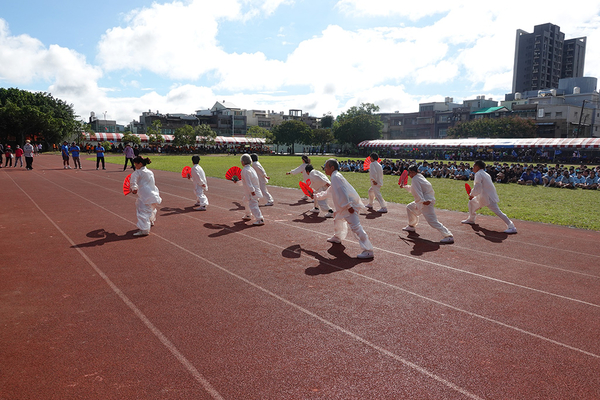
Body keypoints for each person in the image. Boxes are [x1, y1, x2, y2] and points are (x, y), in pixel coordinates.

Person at [314, 158, 374, 259]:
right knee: (338, 219)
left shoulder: (335, 177)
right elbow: (329, 192)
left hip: (348, 206)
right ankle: (338, 237)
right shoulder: (335, 176)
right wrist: (316, 196)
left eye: (326, 167)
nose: (324, 169)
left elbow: (343, 191)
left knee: (356, 227)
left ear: (332, 167)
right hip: (344, 206)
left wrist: (349, 206)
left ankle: (368, 250)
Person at [401, 164, 454, 244]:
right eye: (409, 173)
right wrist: (405, 186)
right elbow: (415, 188)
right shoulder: (419, 177)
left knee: (433, 221)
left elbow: (417, 191)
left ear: (413, 172)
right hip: (425, 200)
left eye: (411, 172)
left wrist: (423, 201)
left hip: (425, 202)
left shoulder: (415, 179)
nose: (410, 174)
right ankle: (411, 226)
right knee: (409, 207)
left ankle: (448, 236)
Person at [461, 160, 517, 234]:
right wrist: (473, 195)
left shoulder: (478, 174)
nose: (473, 167)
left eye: (474, 166)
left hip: (487, 197)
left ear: (477, 166)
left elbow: (478, 186)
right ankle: (471, 219)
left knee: (498, 212)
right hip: (483, 197)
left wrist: (471, 195)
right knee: (471, 202)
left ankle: (512, 227)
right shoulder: (485, 174)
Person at [130, 156, 162, 236]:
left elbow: (133, 183)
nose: (135, 166)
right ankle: (151, 221)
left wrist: (133, 189)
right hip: (154, 194)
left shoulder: (136, 173)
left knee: (142, 212)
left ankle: (144, 230)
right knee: (151, 209)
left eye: (136, 164)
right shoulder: (150, 172)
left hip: (144, 195)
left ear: (140, 164)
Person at [240, 153, 264, 225]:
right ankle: (248, 214)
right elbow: (245, 181)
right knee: (245, 200)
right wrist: (237, 182)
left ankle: (260, 219)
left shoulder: (245, 170)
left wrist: (252, 191)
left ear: (242, 162)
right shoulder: (251, 169)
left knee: (253, 205)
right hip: (253, 190)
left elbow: (248, 182)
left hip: (252, 192)